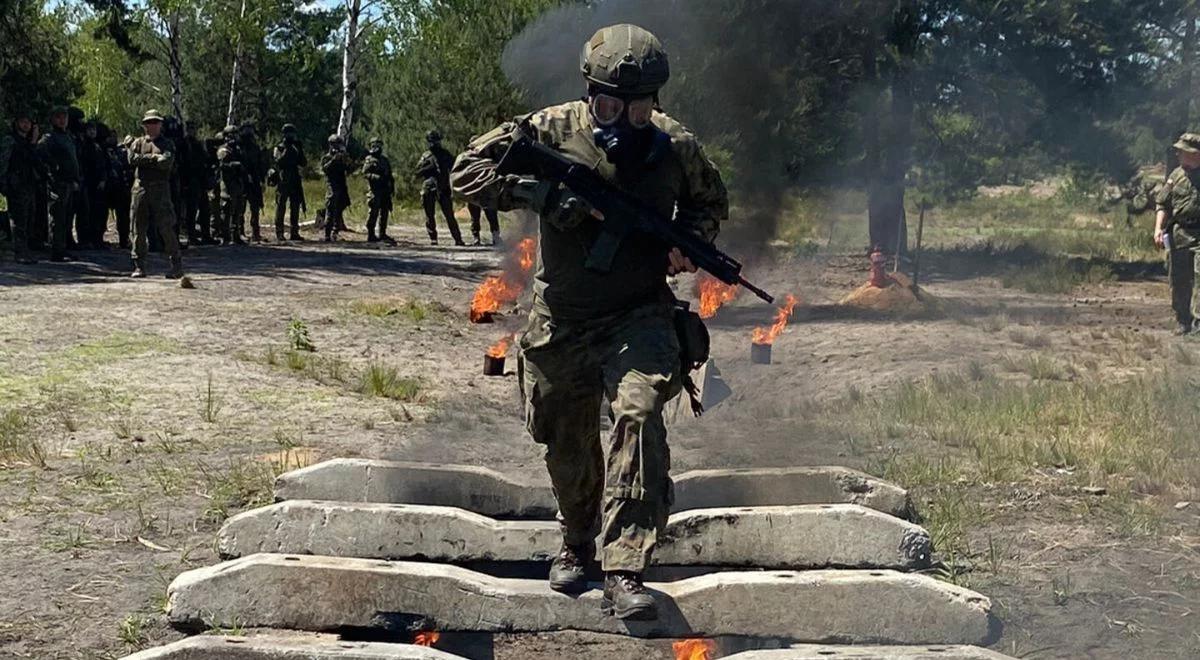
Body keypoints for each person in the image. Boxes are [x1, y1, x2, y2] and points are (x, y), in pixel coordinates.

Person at [451, 24, 728, 620]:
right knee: (564, 436)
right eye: (608, 104)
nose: (622, 117)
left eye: (638, 107)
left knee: (640, 412)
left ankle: (626, 564)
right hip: (562, 318)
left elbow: (710, 203)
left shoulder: (675, 145)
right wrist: (544, 197)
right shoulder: (549, 129)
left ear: (656, 101)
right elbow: (464, 173)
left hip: (640, 315)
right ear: (589, 92)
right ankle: (577, 541)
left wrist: (692, 244)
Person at [127, 109, 184, 278]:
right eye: (149, 123)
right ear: (144, 125)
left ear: (160, 125)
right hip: (140, 188)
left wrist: (144, 159)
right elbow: (131, 159)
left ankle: (176, 264)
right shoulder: (137, 143)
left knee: (166, 226)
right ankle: (139, 265)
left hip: (160, 188)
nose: (152, 125)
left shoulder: (167, 144)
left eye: (156, 122)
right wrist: (153, 158)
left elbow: (166, 162)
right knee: (138, 227)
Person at [1155, 133, 1200, 336]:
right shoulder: (1176, 176)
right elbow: (1163, 203)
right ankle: (1183, 321)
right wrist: (1158, 228)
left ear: (1195, 154)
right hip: (1179, 234)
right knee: (1179, 280)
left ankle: (1199, 324)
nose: (1178, 154)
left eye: (1182, 151)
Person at [38, 106, 81, 262]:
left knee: (67, 218)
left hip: (69, 183)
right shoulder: (49, 138)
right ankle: (56, 251)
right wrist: (53, 168)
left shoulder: (67, 136)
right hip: (57, 184)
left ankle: (63, 248)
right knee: (58, 218)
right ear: (53, 119)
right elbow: (40, 154)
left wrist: (76, 179)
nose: (62, 120)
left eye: (64, 117)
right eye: (59, 117)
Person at [5, 114, 44, 264]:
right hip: (15, 185)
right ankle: (19, 253)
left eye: (28, 122)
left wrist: (34, 141)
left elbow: (34, 161)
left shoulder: (28, 142)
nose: (26, 125)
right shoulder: (11, 141)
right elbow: (4, 162)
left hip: (28, 185)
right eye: (23, 122)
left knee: (29, 219)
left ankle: (25, 251)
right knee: (18, 220)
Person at [415, 130, 464, 246]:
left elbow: (456, 167)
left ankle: (458, 239)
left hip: (443, 187)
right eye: (432, 141)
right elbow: (417, 172)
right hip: (429, 188)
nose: (435, 143)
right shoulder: (426, 156)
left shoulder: (445, 154)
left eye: (436, 141)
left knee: (449, 215)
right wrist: (428, 168)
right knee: (430, 215)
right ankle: (433, 239)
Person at [272, 123, 306, 241]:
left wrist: (299, 150)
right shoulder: (279, 148)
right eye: (288, 133)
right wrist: (287, 151)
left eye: (292, 133)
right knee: (281, 206)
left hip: (295, 180)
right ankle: (279, 232)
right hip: (283, 180)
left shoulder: (297, 147)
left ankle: (294, 232)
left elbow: (303, 162)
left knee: (295, 206)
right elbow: (278, 162)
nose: (290, 135)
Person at [80, 121, 110, 248]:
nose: (92, 132)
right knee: (86, 212)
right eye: (90, 130)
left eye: (94, 130)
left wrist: (103, 179)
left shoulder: (98, 147)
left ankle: (97, 238)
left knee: (99, 212)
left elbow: (103, 165)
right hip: (87, 183)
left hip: (98, 184)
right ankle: (85, 239)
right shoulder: (83, 146)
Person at [361, 137, 395, 244]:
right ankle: (371, 234)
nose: (378, 148)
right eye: (375, 145)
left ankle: (382, 234)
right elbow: (365, 173)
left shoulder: (384, 160)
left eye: (379, 145)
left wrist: (391, 186)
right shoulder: (369, 160)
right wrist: (376, 177)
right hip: (375, 190)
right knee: (373, 212)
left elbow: (390, 175)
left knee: (384, 212)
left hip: (385, 190)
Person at [217, 125, 247, 245]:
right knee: (227, 210)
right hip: (227, 184)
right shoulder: (224, 150)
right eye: (232, 135)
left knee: (238, 210)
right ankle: (226, 236)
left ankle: (236, 235)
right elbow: (222, 165)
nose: (234, 137)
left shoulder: (238, 149)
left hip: (237, 183)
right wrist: (233, 165)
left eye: (236, 134)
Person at [105, 131, 134, 249]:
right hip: (113, 189)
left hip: (124, 189)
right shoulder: (108, 152)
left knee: (124, 217)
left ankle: (124, 239)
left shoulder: (124, 153)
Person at [239, 122, 268, 242]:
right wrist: (245, 175)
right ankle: (239, 232)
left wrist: (262, 180)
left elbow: (260, 165)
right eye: (246, 131)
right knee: (240, 208)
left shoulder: (255, 148)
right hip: (242, 180)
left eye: (250, 131)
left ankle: (256, 232)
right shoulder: (239, 147)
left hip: (255, 181)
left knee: (255, 208)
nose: (249, 134)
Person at [320, 134, 352, 242]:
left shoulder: (342, 157)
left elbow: (349, 169)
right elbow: (325, 169)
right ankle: (327, 234)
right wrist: (334, 159)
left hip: (341, 186)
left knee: (339, 210)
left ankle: (335, 232)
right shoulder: (327, 158)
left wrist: (345, 159)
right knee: (330, 210)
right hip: (332, 187)